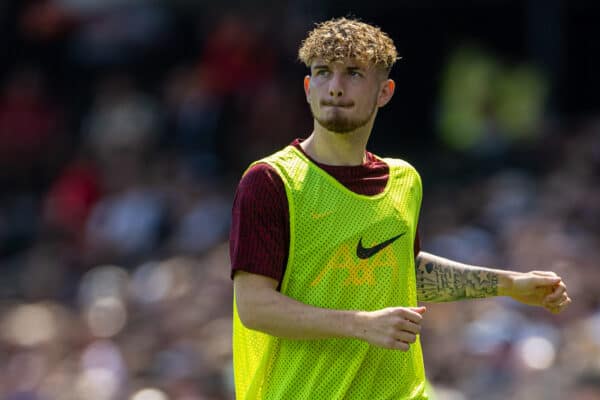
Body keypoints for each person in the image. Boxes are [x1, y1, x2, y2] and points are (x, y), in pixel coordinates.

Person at [229, 17, 571, 400]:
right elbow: (255, 306)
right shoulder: (270, 180)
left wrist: (510, 284)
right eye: (323, 73)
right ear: (308, 88)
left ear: (384, 92)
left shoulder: (404, 180)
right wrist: (361, 324)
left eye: (354, 74)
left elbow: (400, 272)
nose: (336, 88)